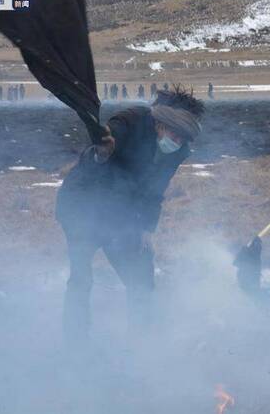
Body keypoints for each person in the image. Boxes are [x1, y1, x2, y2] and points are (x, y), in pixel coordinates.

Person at [56, 86, 204, 338]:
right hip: (82, 207)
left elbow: (157, 189)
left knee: (141, 275)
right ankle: (75, 340)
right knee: (81, 277)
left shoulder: (178, 150)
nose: (177, 142)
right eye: (174, 134)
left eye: (182, 138)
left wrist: (146, 228)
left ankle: (141, 339)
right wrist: (100, 155)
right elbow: (89, 162)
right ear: (159, 123)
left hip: (122, 214)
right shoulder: (128, 122)